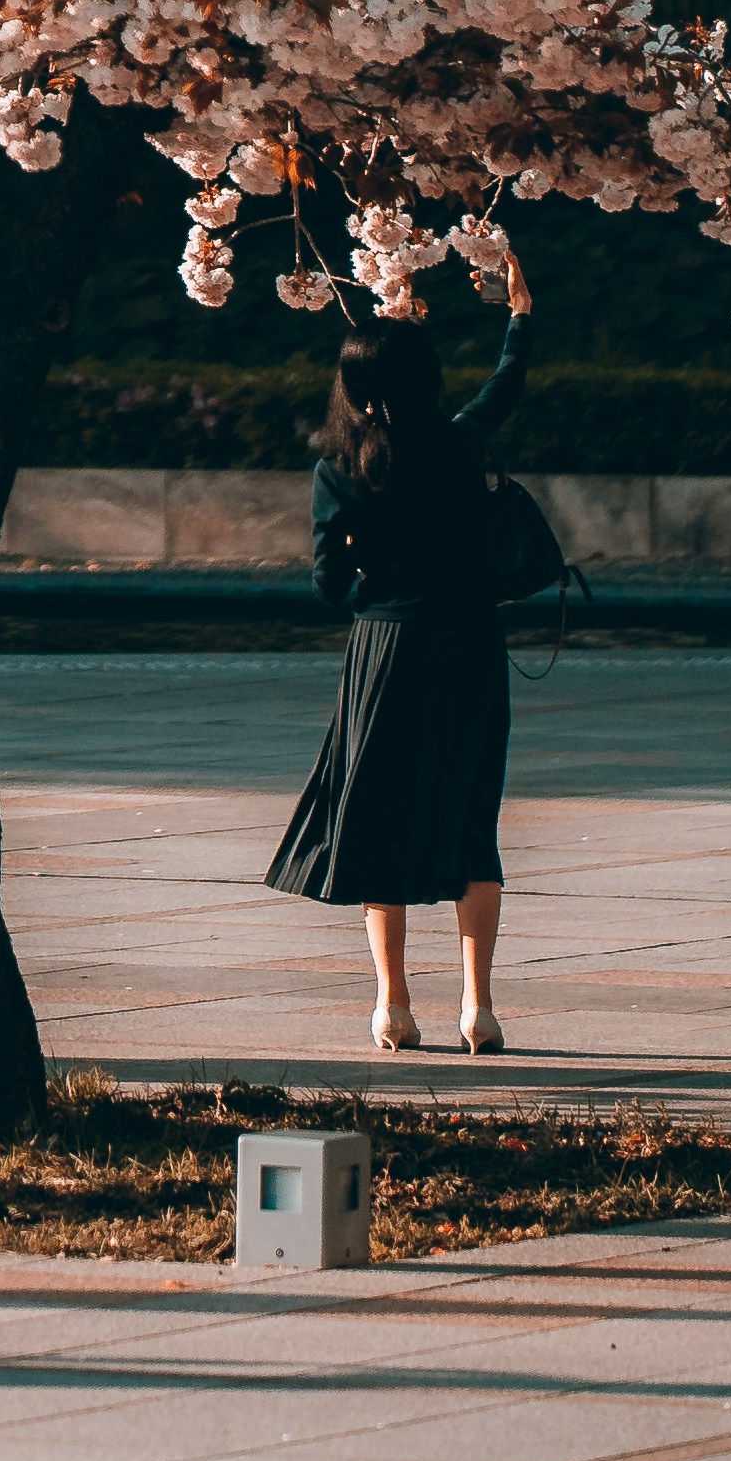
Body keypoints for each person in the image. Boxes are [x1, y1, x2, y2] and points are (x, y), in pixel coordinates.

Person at [267, 306, 534, 1055]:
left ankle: (394, 1006)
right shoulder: (458, 444)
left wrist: (368, 577)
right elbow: (505, 386)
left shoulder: (338, 470)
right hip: (470, 645)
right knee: (470, 815)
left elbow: (327, 586)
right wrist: (520, 319)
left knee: (379, 816)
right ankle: (478, 1010)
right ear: (426, 377)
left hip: (385, 649)